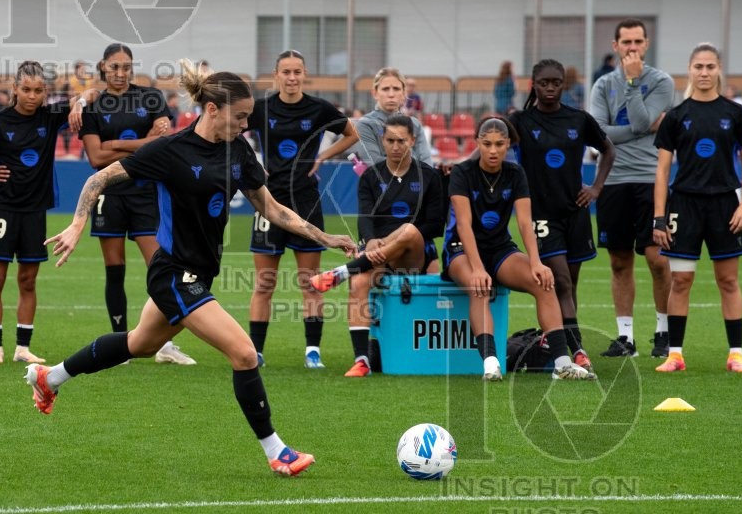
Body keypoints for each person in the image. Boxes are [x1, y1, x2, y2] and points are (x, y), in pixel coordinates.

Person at [24, 60, 356, 477]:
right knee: (244, 353)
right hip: (174, 274)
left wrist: (324, 238)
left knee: (139, 345)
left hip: (200, 274)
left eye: (248, 116)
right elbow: (98, 180)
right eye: (240, 116)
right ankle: (277, 452)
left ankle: (49, 378)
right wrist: (77, 223)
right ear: (212, 110)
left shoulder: (240, 151)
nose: (246, 124)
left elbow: (271, 208)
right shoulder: (170, 150)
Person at [440, 116, 596, 381]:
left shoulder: (516, 173)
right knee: (479, 286)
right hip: (461, 250)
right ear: (477, 142)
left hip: (500, 248)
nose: (492, 150)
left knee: (544, 282)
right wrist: (477, 268)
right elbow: (463, 225)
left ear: (508, 144)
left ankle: (562, 364)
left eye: (499, 144)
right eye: (487, 144)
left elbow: (525, 223)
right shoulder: (462, 173)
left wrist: (536, 262)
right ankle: (491, 363)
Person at [0, 61, 93, 364]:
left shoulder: (49, 118)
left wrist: (80, 103)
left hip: (35, 212)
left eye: (38, 90)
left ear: (45, 91)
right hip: (2, 209)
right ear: (15, 90)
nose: (32, 96)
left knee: (28, 280)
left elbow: (93, 93)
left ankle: (22, 347)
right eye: (26, 90)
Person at [80, 43, 195, 365]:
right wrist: (144, 143)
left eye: (126, 67)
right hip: (110, 195)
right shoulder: (92, 105)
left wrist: (116, 143)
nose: (120, 73)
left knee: (160, 269)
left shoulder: (150, 97)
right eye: (114, 67)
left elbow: (163, 143)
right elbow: (95, 158)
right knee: (114, 271)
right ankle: (122, 345)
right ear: (103, 67)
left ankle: (163, 343)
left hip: (146, 194)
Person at [246, 50, 358, 369]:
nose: (292, 77)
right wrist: (253, 163)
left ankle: (313, 352)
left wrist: (324, 157)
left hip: (307, 202)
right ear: (275, 75)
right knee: (264, 283)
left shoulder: (320, 108)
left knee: (310, 282)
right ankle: (255, 351)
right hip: (269, 203)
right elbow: (229, 132)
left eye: (297, 72)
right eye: (286, 72)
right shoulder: (261, 108)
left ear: (304, 74)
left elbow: (352, 134)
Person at [310, 115, 444, 376]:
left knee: (408, 230)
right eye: (390, 140)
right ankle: (362, 360)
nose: (396, 146)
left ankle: (343, 271)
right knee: (359, 284)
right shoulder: (371, 176)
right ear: (382, 141)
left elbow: (436, 225)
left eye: (401, 141)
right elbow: (365, 218)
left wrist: (392, 239)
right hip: (380, 258)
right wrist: (371, 240)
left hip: (416, 254)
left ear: (413, 141)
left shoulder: (429, 176)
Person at [652, 43, 742, 374]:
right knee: (680, 281)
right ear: (690, 69)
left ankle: (736, 354)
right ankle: (675, 355)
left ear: (719, 69)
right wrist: (659, 217)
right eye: (699, 66)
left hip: (726, 204)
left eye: (710, 67)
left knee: (728, 280)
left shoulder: (736, 114)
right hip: (684, 204)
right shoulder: (677, 117)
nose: (704, 72)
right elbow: (663, 171)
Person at [509, 59, 615, 372]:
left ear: (563, 84)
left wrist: (596, 188)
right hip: (541, 216)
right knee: (561, 281)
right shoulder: (521, 120)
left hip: (575, 212)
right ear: (533, 84)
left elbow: (608, 150)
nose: (551, 88)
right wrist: (462, 166)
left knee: (570, 284)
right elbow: (494, 141)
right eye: (544, 83)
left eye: (556, 82)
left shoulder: (579, 120)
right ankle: (577, 349)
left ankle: (556, 341)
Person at [590, 18, 676, 359]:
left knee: (657, 259)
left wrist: (630, 83)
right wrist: (643, 128)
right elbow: (599, 133)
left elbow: (636, 121)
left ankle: (664, 332)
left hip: (650, 179)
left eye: (638, 42)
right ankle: (625, 337)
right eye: (626, 42)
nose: (632, 48)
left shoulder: (661, 82)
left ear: (647, 43)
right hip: (612, 179)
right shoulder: (601, 85)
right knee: (619, 261)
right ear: (615, 46)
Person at [353, 67, 433, 166]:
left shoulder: (414, 124)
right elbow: (375, 164)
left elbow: (427, 162)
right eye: (385, 89)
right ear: (375, 93)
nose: (391, 94)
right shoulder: (365, 125)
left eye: (396, 89)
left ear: (404, 93)